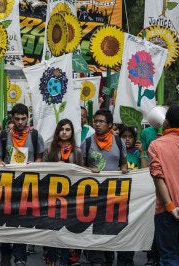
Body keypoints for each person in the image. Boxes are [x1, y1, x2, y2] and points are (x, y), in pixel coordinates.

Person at [0, 103, 45, 266]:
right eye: (17, 119)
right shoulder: (3, 135)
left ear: (27, 118)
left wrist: (33, 165)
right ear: (12, 119)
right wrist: (1, 164)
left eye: (24, 119)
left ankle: (20, 257)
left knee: (23, 223)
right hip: (8, 187)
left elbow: (39, 157)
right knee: (7, 223)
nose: (21, 122)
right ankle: (6, 255)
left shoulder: (35, 136)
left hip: (27, 187)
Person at [80, 109, 128, 265]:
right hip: (92, 196)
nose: (97, 124)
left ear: (110, 125)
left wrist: (124, 169)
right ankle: (96, 258)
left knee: (109, 229)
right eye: (95, 121)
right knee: (95, 230)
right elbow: (79, 168)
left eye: (101, 122)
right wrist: (89, 170)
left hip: (114, 196)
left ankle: (107, 256)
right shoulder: (87, 143)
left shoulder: (119, 143)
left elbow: (123, 163)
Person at [148, 106, 179, 266]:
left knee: (168, 257)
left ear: (166, 122)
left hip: (167, 210)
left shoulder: (156, 145)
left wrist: (170, 206)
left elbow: (158, 178)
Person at [41, 119, 83, 265]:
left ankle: (64, 260)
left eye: (68, 129)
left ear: (72, 132)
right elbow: (42, 171)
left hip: (70, 198)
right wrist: (54, 166)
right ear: (57, 131)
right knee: (52, 230)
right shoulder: (49, 148)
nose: (64, 132)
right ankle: (51, 258)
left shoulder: (77, 151)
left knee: (65, 231)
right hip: (52, 196)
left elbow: (82, 172)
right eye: (62, 129)